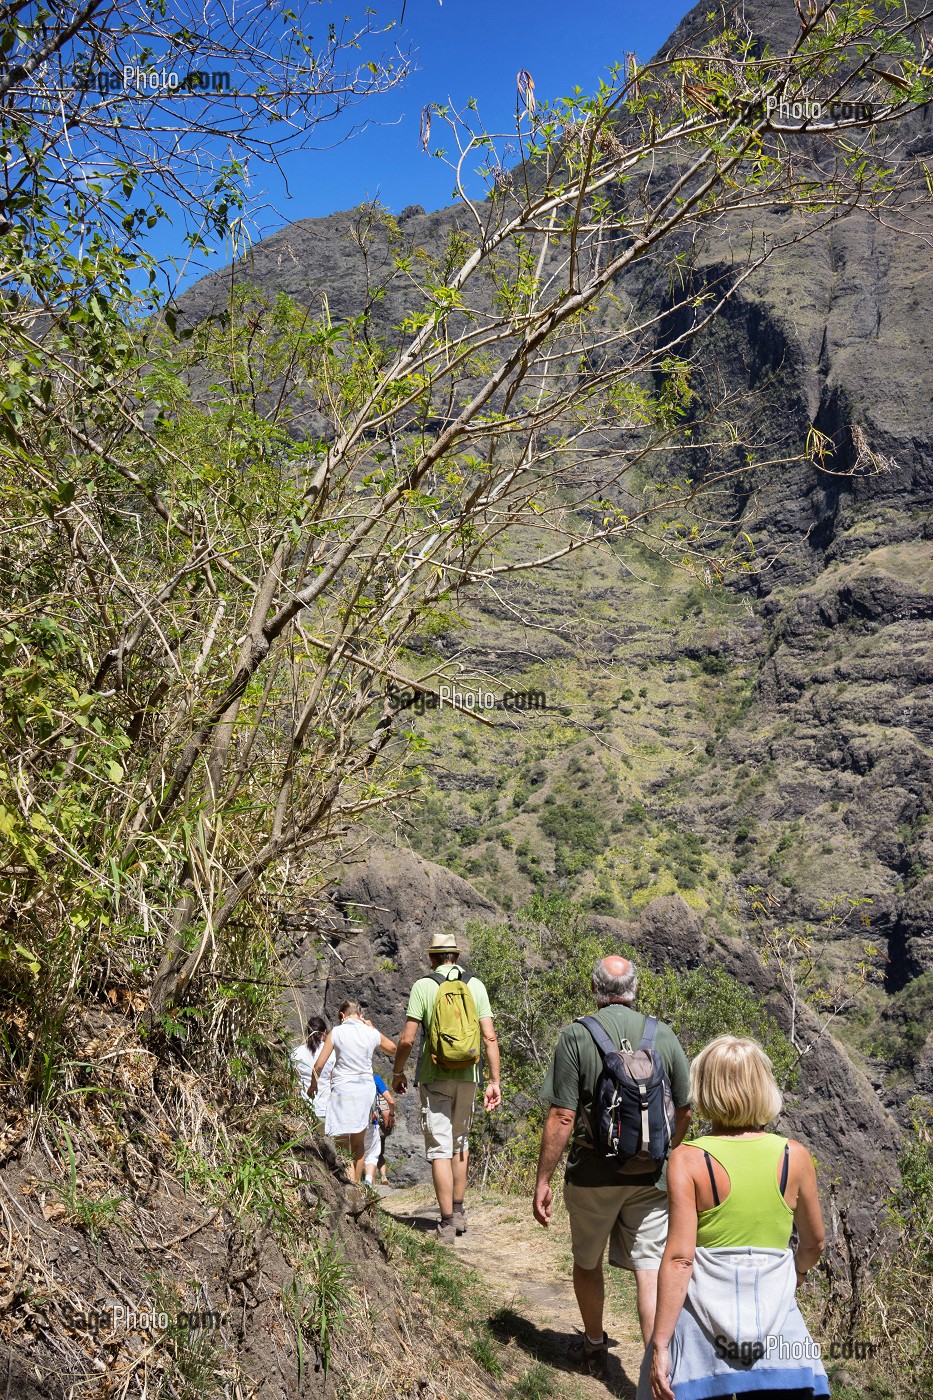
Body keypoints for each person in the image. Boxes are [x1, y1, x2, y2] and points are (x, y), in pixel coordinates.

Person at [644, 1035, 828, 1400]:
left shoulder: (687, 1159)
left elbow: (681, 1259)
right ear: (764, 1087)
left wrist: (660, 1344)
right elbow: (814, 1242)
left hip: (703, 1338)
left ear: (705, 1088)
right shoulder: (795, 1157)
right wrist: (797, 1274)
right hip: (779, 1335)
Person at [534, 955, 692, 1378]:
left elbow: (562, 1116)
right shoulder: (663, 1034)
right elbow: (686, 1109)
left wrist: (543, 1179)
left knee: (588, 1262)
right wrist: (663, 1154)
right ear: (635, 988)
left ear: (595, 989)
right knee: (649, 1268)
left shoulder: (576, 1036)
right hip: (650, 1178)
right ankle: (657, 1367)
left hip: (591, 1175)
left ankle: (593, 1345)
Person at [392, 931, 501, 1244]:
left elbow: (408, 1039)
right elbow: (490, 1038)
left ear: (431, 958)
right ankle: (459, 1210)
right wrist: (494, 1080)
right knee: (459, 1142)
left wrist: (398, 1072)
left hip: (434, 1073)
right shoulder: (475, 985)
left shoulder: (424, 986)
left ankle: (447, 1223)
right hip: (469, 1075)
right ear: (457, 956)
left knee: (439, 1147)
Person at [313, 1001, 397, 1183]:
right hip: (364, 1091)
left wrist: (313, 1085)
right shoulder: (370, 1032)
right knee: (358, 1144)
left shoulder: (337, 1032)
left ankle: (347, 1185)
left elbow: (319, 1065)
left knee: (342, 1144)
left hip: (342, 1091)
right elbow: (392, 1049)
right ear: (360, 1015)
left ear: (342, 1015)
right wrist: (373, 1028)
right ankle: (355, 1187)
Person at [291, 1015, 331, 1115]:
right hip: (326, 1108)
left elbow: (292, 1079)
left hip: (304, 1108)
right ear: (324, 1033)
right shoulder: (332, 1054)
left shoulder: (295, 1053)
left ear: (307, 1033)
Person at [363, 1072, 396, 1186]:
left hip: (354, 1122)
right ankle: (382, 1177)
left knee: (360, 1153)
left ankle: (369, 1182)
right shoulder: (375, 1078)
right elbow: (391, 1101)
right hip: (374, 1123)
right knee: (377, 1153)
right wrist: (391, 1115)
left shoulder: (350, 1074)